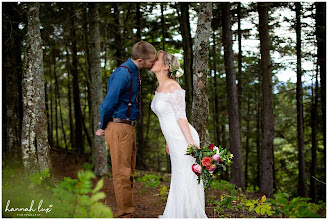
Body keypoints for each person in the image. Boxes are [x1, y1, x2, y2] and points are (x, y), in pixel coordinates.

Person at [95, 41, 156, 218]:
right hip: (119, 126)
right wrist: (103, 125)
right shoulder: (122, 73)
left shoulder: (135, 72)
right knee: (122, 173)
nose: (153, 63)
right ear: (139, 59)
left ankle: (127, 210)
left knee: (128, 172)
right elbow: (108, 103)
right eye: (151, 61)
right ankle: (125, 214)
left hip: (128, 127)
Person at [150, 50, 208, 218]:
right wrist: (168, 140)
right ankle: (178, 213)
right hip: (174, 139)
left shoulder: (174, 87)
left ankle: (188, 215)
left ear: (167, 66)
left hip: (184, 138)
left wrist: (190, 143)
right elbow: (166, 117)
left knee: (185, 176)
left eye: (158, 59)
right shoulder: (159, 87)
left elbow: (181, 117)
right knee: (178, 176)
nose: (153, 60)